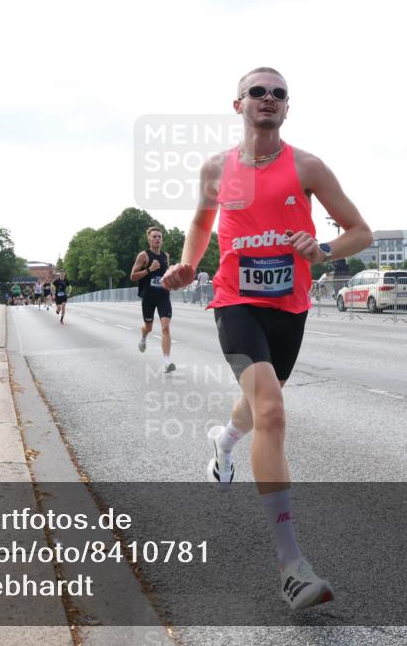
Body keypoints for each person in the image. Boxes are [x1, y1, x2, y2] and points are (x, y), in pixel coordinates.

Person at [161, 67, 372, 611]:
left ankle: (224, 442)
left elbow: (360, 232)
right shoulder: (217, 169)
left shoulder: (307, 166)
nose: (269, 99)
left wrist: (322, 249)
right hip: (234, 300)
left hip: (289, 305)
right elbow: (202, 225)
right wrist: (188, 265)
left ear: (286, 109)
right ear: (239, 105)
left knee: (261, 402)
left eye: (279, 94)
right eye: (259, 91)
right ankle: (290, 567)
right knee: (273, 409)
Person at [131, 226, 175, 373]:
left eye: (159, 237)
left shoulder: (165, 256)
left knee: (165, 327)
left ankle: (167, 362)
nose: (157, 239)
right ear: (149, 239)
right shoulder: (144, 256)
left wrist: (173, 281)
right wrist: (150, 269)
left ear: (162, 240)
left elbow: (166, 276)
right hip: (148, 297)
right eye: (154, 236)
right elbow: (132, 276)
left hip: (163, 296)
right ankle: (143, 337)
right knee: (148, 327)